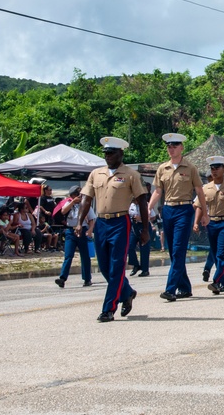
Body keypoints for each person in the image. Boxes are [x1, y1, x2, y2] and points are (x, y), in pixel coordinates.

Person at [77, 136, 148, 323]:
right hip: (101, 223)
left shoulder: (131, 174)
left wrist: (145, 229)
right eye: (106, 153)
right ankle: (127, 292)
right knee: (104, 267)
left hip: (120, 223)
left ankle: (108, 309)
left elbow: (142, 201)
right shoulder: (96, 173)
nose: (108, 156)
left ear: (121, 154)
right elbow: (86, 198)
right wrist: (79, 222)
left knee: (117, 267)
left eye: (111, 153)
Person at [150, 132, 207, 302]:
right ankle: (185, 287)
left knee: (179, 248)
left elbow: (199, 191)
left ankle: (170, 289)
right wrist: (148, 208)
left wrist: (204, 212)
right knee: (173, 252)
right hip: (167, 210)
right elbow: (158, 191)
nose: (171, 149)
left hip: (184, 209)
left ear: (181, 148)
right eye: (169, 146)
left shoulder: (190, 168)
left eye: (175, 146)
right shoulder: (162, 168)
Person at [202, 156, 224, 295]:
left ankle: (216, 281)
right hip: (211, 223)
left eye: (217, 168)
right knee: (215, 255)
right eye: (212, 168)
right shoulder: (206, 188)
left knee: (222, 254)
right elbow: (199, 205)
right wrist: (198, 221)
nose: (214, 171)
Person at [55, 186, 94, 288]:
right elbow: (63, 211)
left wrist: (90, 230)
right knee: (68, 255)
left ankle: (87, 278)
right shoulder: (69, 203)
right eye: (75, 195)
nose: (78, 197)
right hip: (70, 231)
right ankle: (62, 278)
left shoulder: (85, 205)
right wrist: (72, 202)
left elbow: (92, 219)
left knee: (85, 256)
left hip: (82, 230)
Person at [128, 186, 152, 278]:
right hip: (134, 227)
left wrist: (140, 218)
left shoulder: (145, 204)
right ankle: (135, 265)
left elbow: (151, 217)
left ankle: (145, 270)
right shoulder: (131, 205)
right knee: (130, 246)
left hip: (144, 226)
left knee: (144, 248)